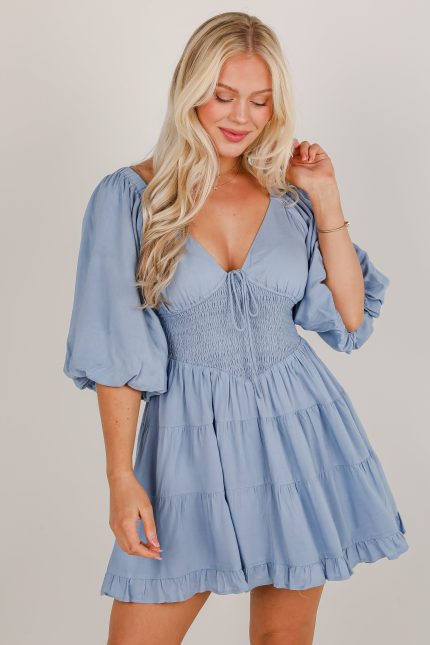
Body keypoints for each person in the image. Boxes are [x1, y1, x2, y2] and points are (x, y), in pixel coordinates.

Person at [63, 11, 409, 645]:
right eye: (223, 95)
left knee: (283, 638)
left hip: (300, 433)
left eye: (260, 100)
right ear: (189, 89)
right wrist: (120, 476)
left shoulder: (289, 198)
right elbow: (117, 351)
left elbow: (350, 319)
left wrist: (326, 196)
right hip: (186, 446)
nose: (241, 116)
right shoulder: (131, 197)